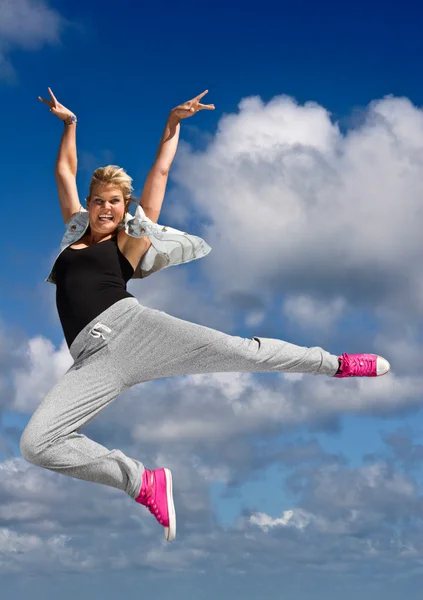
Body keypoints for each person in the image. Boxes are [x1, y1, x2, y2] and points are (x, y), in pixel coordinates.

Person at [20, 88, 390, 543]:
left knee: (242, 352)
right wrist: (70, 124)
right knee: (37, 444)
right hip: (91, 362)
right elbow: (65, 171)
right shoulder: (74, 236)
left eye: (115, 201)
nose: (105, 207)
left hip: (134, 331)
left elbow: (159, 174)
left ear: (123, 208)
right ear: (89, 203)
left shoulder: (126, 243)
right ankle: (142, 482)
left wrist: (172, 126)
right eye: (98, 200)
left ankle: (335, 364)